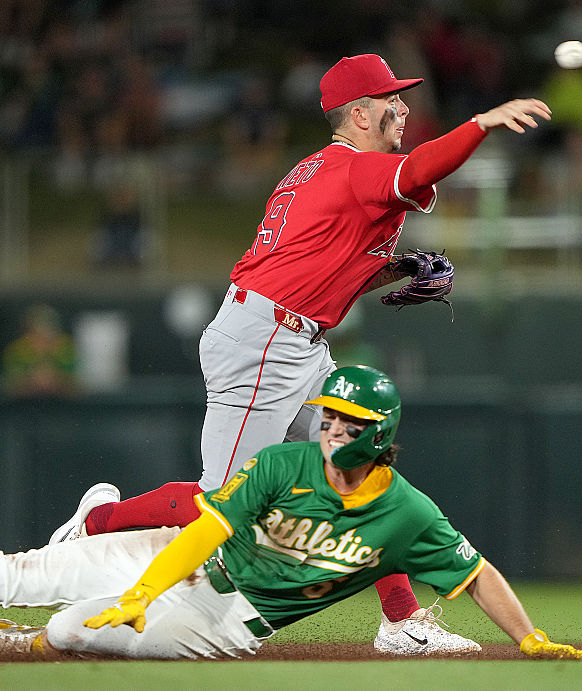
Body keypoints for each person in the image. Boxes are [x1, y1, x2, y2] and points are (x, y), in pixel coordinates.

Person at [49, 53, 552, 655]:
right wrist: (483, 123)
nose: (403, 106)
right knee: (223, 504)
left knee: (358, 473)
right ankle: (96, 521)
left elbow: (327, 276)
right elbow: (418, 170)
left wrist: (397, 270)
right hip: (264, 343)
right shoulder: (355, 170)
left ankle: (401, 621)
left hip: (297, 339)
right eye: (392, 98)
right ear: (360, 113)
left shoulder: (330, 172)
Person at [0, 366, 582, 662]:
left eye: (347, 423)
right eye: (328, 416)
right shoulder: (285, 462)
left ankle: (42, 640)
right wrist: (144, 583)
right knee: (5, 571)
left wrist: (525, 636)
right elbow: (203, 525)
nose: (330, 429)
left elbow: (477, 569)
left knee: (70, 631)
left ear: (378, 436)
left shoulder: (409, 515)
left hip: (228, 619)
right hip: (184, 561)